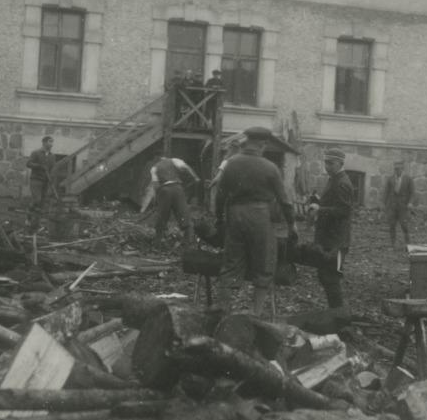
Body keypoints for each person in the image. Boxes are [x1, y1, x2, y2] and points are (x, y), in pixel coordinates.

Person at [215, 127, 298, 316]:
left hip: (234, 214)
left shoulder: (231, 164)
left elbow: (220, 196)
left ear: (246, 142)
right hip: (260, 215)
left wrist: (219, 219)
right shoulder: (270, 167)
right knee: (265, 261)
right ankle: (255, 312)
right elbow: (284, 200)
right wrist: (292, 224)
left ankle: (223, 308)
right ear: (262, 145)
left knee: (231, 260)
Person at [308, 147, 354, 309]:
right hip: (328, 238)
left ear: (340, 163)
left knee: (332, 278)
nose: (327, 166)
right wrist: (319, 201)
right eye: (325, 163)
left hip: (336, 241)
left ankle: (339, 317)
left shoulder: (342, 183)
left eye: (331, 163)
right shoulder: (334, 178)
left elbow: (344, 210)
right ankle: (336, 313)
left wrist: (320, 209)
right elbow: (334, 204)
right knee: (326, 277)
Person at [149, 154, 200, 246]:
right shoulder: (174, 160)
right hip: (177, 189)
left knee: (162, 215)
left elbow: (156, 185)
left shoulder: (154, 168)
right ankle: (189, 241)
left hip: (164, 190)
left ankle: (158, 241)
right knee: (183, 213)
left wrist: (157, 199)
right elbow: (186, 167)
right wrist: (195, 177)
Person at [26, 136, 56, 231]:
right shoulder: (36, 153)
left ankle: (36, 223)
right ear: (44, 143)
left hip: (46, 181)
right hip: (36, 180)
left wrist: (51, 178)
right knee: (37, 200)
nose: (51, 144)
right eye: (49, 142)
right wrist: (39, 166)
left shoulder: (52, 156)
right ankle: (28, 217)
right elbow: (29, 163)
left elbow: (52, 168)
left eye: (52, 142)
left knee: (42, 203)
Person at [384, 160, 415, 247]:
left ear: (402, 169)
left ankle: (408, 245)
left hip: (403, 207)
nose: (396, 170)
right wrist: (385, 205)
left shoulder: (408, 179)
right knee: (392, 225)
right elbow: (386, 192)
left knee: (404, 226)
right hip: (392, 207)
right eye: (395, 169)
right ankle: (392, 244)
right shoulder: (390, 179)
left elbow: (412, 192)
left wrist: (410, 202)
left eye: (398, 169)